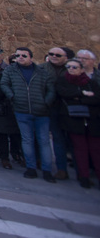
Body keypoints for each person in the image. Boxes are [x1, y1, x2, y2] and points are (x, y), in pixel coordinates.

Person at [1, 47, 56, 182]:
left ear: (30, 57)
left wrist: (46, 103)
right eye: (18, 55)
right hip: (21, 110)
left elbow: (51, 89)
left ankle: (47, 170)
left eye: (24, 56)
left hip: (41, 111)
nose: (20, 58)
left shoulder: (42, 72)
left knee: (43, 141)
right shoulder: (11, 70)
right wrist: (12, 97)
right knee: (27, 140)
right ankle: (30, 167)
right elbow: (4, 84)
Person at [55, 57, 100, 188]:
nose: (71, 69)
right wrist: (83, 94)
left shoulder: (91, 83)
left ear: (81, 70)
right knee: (80, 150)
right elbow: (64, 94)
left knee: (96, 150)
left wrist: (78, 99)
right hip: (74, 121)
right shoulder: (63, 81)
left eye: (74, 67)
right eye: (69, 67)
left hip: (92, 122)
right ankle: (83, 176)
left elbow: (97, 98)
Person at [43, 46, 74, 180]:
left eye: (58, 55)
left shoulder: (72, 69)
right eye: (51, 54)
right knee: (57, 139)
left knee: (75, 141)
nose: (54, 56)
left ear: (66, 58)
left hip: (70, 109)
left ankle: (81, 170)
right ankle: (61, 169)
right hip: (51, 108)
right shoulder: (42, 69)